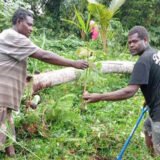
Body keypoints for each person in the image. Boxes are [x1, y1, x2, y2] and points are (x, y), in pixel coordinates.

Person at [0, 8, 89, 157]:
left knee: (7, 131)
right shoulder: (13, 36)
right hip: (1, 97)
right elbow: (44, 55)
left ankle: (12, 156)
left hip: (5, 98)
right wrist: (73, 63)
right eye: (29, 25)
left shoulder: (8, 36)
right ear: (19, 22)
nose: (31, 29)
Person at [83, 26, 160, 157]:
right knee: (147, 128)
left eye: (135, 41)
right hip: (154, 108)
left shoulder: (142, 62)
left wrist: (100, 97)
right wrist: (149, 99)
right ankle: (151, 156)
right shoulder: (156, 54)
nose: (131, 45)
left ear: (145, 40)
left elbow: (129, 92)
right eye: (129, 42)